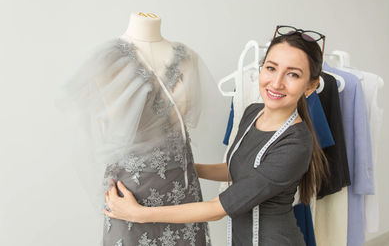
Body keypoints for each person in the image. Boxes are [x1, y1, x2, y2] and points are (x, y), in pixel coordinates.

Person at [103, 26, 330, 246]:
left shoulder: (296, 144)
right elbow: (238, 168)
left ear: (310, 86)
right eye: (271, 68)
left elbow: (216, 210)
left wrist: (139, 214)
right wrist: (186, 167)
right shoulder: (253, 112)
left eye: (293, 74)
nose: (277, 82)